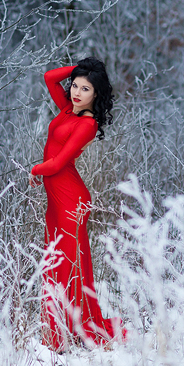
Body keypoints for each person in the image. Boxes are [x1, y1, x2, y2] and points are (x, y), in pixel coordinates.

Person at [31, 57, 125, 350]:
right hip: (57, 199)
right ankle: (59, 330)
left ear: (96, 94)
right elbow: (49, 77)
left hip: (71, 199)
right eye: (75, 86)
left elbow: (58, 162)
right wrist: (84, 70)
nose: (76, 92)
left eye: (86, 89)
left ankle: (69, 332)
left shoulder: (87, 123)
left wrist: (35, 169)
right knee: (56, 261)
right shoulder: (67, 110)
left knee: (69, 266)